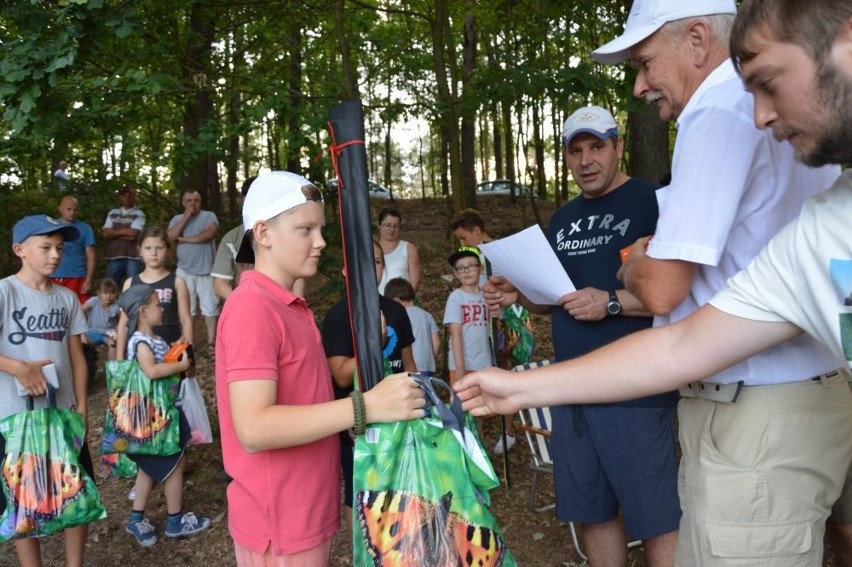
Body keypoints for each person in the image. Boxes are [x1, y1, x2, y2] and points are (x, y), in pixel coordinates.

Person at [455, 1, 852, 563]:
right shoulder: (811, 235)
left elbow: (663, 293)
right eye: (576, 149)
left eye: (767, 82)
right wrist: (519, 384)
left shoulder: (715, 112)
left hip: (738, 406)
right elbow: (685, 339)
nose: (760, 116)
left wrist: (630, 275)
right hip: (720, 391)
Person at [597, 0, 841, 562]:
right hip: (809, 387)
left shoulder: (716, 109)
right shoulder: (787, 108)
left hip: (752, 409)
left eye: (645, 63)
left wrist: (634, 258)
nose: (640, 86)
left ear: (698, 40)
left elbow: (661, 288)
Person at [492, 105, 679, 565]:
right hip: (571, 387)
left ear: (618, 146)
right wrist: (518, 293)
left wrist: (610, 301)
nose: (586, 160)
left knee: (657, 518)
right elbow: (555, 297)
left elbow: (675, 294)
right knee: (591, 511)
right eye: (575, 151)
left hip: (636, 388)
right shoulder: (562, 220)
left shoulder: (655, 201)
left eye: (597, 146)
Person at [216, 170, 425, 565]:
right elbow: (254, 428)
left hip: (306, 512)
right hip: (279, 522)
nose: (321, 242)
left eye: (321, 228)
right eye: (305, 229)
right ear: (263, 233)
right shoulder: (252, 308)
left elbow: (303, 400)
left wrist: (350, 417)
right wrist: (364, 407)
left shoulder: (290, 306)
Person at [0, 214, 92, 566]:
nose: (55, 255)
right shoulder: (6, 291)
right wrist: (18, 368)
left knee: (75, 490)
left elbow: (77, 358)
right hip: (15, 418)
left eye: (59, 247)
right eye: (46, 247)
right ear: (20, 250)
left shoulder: (67, 298)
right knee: (23, 497)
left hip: (62, 415)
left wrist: (81, 404)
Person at [322, 241, 417, 529]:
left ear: (383, 268)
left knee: (402, 490)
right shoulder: (338, 317)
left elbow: (408, 364)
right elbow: (340, 375)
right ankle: (364, 554)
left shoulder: (396, 312)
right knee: (360, 495)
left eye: (376, 261)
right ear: (344, 271)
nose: (370, 268)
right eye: (362, 262)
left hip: (399, 419)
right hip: (357, 426)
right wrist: (374, 341)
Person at [117, 284, 210, 547]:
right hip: (156, 418)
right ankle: (174, 519)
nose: (162, 309)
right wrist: (179, 364)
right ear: (144, 312)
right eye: (158, 305)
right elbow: (151, 371)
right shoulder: (140, 341)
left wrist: (176, 354)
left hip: (164, 413)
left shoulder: (155, 341)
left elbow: (164, 367)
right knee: (175, 465)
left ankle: (138, 517)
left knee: (151, 466)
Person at [211, 177, 305, 301]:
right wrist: (246, 302)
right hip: (247, 304)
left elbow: (297, 273)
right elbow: (219, 284)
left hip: (284, 303)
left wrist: (295, 302)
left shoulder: (287, 232)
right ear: (244, 200)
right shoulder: (232, 239)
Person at [115, 227, 193, 364]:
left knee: (173, 384)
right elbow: (123, 324)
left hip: (171, 345)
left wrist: (188, 351)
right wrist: (120, 358)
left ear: (168, 250)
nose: (154, 253)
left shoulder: (177, 281)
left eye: (159, 248)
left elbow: (186, 320)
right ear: (140, 250)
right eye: (148, 248)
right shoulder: (130, 283)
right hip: (140, 348)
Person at [167, 190, 219, 358]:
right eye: (188, 200)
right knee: (186, 309)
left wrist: (184, 239)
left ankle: (211, 343)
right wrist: (186, 217)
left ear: (200, 202)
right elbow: (170, 236)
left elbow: (209, 234)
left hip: (206, 270)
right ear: (183, 203)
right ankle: (188, 343)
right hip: (184, 271)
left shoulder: (209, 216)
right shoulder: (177, 219)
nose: (192, 204)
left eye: (196, 200)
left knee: (210, 307)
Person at [443, 247, 491, 384]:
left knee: (485, 403)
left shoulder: (487, 296)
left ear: (480, 269)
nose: (466, 271)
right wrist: (460, 368)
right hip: (463, 364)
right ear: (456, 274)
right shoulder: (456, 297)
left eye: (471, 266)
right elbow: (455, 333)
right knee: (464, 403)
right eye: (461, 268)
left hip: (485, 363)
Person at [384, 276, 440, 375]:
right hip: (428, 366)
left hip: (410, 366)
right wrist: (431, 359)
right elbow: (437, 343)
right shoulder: (427, 315)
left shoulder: (400, 317)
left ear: (396, 300)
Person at [51, 195, 97, 303]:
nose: (72, 212)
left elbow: (91, 256)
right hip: (53, 275)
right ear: (60, 208)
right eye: (69, 209)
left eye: (75, 210)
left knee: (79, 309)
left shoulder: (85, 228)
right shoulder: (51, 226)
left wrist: (89, 279)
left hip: (77, 276)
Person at [102, 184, 146, 286]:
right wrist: (126, 231)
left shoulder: (139, 213)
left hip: (133, 257)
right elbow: (105, 233)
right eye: (124, 195)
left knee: (133, 286)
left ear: (134, 197)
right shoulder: (112, 213)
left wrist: (113, 234)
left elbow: (133, 234)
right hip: (114, 256)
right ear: (120, 197)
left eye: (129, 195)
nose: (127, 198)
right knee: (110, 287)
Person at [376, 207, 421, 294]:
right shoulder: (370, 249)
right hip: (374, 303)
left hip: (401, 302)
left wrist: (403, 301)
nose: (392, 229)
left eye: (395, 226)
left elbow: (414, 282)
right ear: (379, 225)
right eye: (388, 225)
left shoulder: (408, 248)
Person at [82, 277, 120, 376]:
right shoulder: (94, 301)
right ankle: (88, 370)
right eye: (105, 293)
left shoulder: (116, 306)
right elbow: (79, 310)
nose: (108, 296)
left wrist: (117, 331)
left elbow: (120, 321)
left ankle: (113, 373)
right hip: (92, 332)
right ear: (99, 293)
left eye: (112, 293)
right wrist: (80, 328)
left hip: (107, 333)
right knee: (82, 341)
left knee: (112, 344)